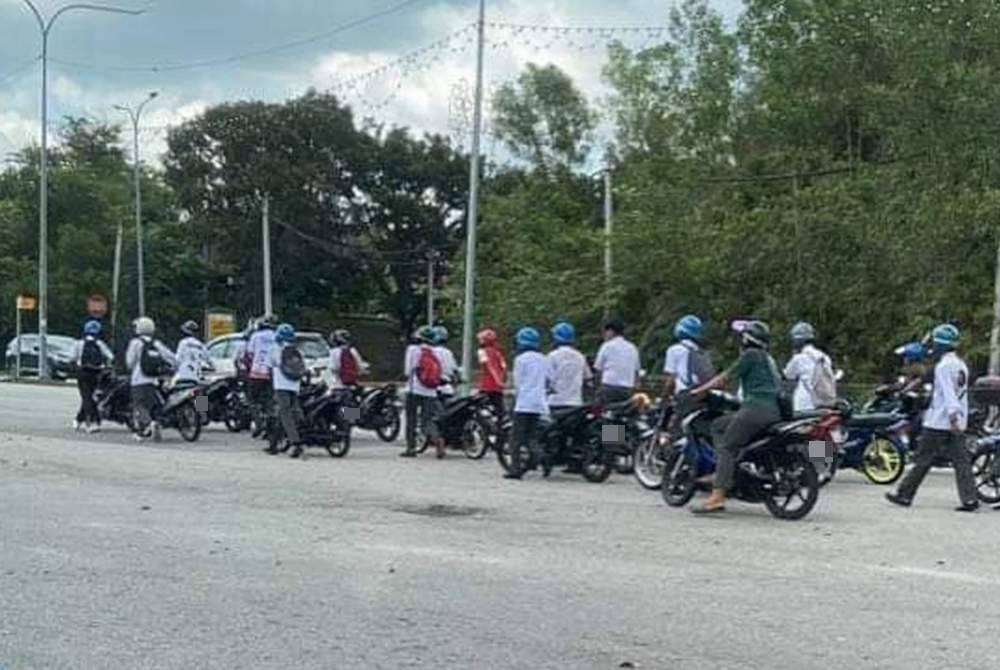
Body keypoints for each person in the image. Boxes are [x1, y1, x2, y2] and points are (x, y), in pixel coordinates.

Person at [689, 321, 782, 514]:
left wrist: (700, 390)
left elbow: (725, 377)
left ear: (747, 339)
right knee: (719, 425)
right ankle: (726, 470)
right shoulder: (768, 358)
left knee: (727, 446)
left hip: (755, 408)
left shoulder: (750, 355)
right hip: (774, 410)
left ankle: (718, 495)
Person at [886, 324, 979, 512]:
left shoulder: (943, 367)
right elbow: (961, 394)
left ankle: (905, 494)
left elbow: (948, 393)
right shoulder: (960, 365)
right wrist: (959, 418)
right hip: (956, 420)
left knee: (923, 459)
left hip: (940, 420)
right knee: (962, 461)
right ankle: (970, 498)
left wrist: (952, 415)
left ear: (940, 345)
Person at [504, 327, 549, 480]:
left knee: (516, 438)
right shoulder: (544, 358)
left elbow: (518, 383)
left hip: (524, 403)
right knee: (531, 436)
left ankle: (516, 469)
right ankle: (614, 453)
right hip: (540, 402)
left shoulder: (521, 359)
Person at [125, 317, 176, 441]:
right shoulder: (156, 343)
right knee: (154, 405)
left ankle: (149, 424)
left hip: (139, 380)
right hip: (155, 380)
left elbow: (130, 362)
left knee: (139, 405)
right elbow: (171, 357)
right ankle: (153, 424)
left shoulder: (136, 343)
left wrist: (130, 369)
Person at [401, 326, 444, 458]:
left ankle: (411, 448)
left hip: (414, 389)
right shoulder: (436, 352)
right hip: (431, 391)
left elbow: (408, 370)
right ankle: (437, 438)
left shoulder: (413, 349)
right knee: (427, 420)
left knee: (411, 420)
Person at [268, 323, 307, 458]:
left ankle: (296, 442)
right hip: (294, 384)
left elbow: (270, 364)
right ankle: (274, 443)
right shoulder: (297, 350)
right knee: (290, 411)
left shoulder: (275, 349)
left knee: (285, 414)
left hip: (280, 384)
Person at [783, 322, 837, 412]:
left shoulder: (799, 358)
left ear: (799, 340)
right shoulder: (824, 357)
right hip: (823, 403)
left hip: (804, 404)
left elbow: (788, 375)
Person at [73, 319, 113, 433]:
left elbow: (72, 357)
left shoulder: (79, 343)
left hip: (83, 372)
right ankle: (79, 419)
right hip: (97, 373)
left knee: (86, 397)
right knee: (92, 397)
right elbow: (110, 356)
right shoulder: (99, 343)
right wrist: (105, 365)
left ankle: (90, 422)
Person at [662, 315, 714, 400]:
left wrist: (663, 396)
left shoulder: (674, 350)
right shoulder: (701, 351)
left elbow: (670, 380)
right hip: (703, 394)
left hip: (684, 396)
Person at [593, 319, 641, 405]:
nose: (604, 335)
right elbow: (636, 373)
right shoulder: (633, 348)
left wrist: (597, 389)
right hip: (627, 390)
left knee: (601, 411)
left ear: (611, 331)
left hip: (609, 388)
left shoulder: (606, 346)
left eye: (605, 332)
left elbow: (598, 370)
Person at [546, 321, 591, 411]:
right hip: (575, 403)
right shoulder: (580, 356)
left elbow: (547, 379)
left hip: (555, 402)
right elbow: (588, 378)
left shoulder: (552, 356)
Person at [246, 315, 277, 436]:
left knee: (252, 400)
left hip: (256, 372)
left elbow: (249, 354)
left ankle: (258, 423)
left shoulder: (256, 336)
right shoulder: (276, 336)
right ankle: (269, 427)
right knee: (269, 401)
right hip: (271, 373)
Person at [477, 328, 508, 418]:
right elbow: (504, 368)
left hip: (486, 386)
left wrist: (497, 380)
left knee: (481, 409)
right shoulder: (498, 353)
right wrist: (502, 381)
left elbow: (489, 366)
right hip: (498, 388)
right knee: (499, 410)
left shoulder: (482, 352)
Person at [174, 320, 210, 386]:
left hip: (183, 376)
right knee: (202, 394)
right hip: (198, 377)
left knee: (172, 390)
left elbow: (177, 360)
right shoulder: (201, 345)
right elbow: (208, 361)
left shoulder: (183, 343)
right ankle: (202, 397)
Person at [432, 325, 460, 399]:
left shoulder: (429, 351)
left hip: (433, 389)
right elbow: (455, 371)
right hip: (447, 389)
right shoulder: (448, 352)